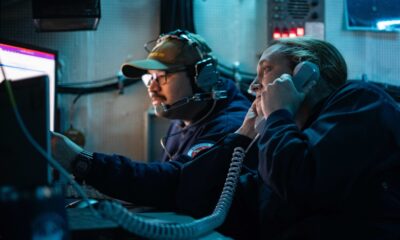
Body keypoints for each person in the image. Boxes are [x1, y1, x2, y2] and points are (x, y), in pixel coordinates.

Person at [176, 37, 400, 239]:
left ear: (305, 73)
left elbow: (297, 182)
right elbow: (229, 197)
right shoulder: (289, 134)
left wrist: (278, 113)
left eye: (266, 69)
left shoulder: (361, 101)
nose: (253, 85)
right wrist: (244, 134)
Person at [51, 29, 251, 211]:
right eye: (149, 78)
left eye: (161, 77)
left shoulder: (230, 127)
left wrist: (82, 162)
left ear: (202, 78)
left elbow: (175, 182)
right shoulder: (185, 116)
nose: (152, 88)